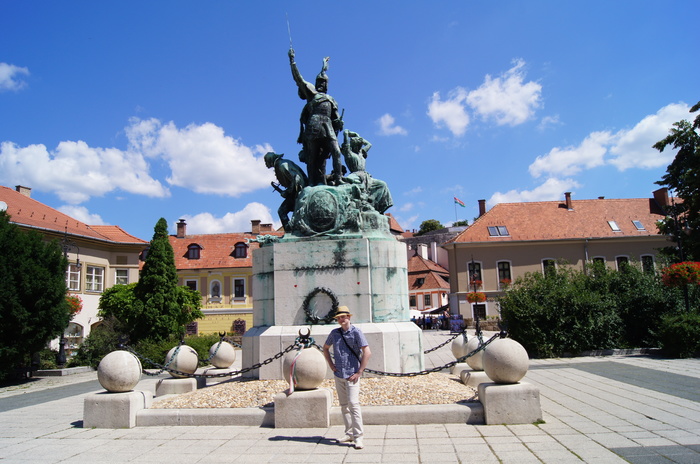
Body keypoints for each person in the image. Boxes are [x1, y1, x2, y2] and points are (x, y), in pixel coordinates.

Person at [288, 47, 344, 186]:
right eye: (319, 82)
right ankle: (312, 183)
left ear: (327, 85)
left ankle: (338, 178)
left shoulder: (332, 100)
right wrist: (292, 61)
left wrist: (339, 123)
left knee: (336, 151)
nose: (320, 84)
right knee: (311, 157)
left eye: (323, 82)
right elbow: (299, 79)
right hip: (314, 125)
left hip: (328, 126)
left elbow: (335, 118)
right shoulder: (312, 94)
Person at [323, 306, 371, 449]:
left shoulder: (356, 332)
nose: (341, 320)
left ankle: (358, 436)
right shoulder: (334, 333)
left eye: (343, 317)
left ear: (349, 317)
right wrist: (331, 365)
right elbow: (325, 348)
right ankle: (349, 433)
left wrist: (360, 371)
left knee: (353, 404)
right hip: (339, 374)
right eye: (338, 318)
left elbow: (367, 352)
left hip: (352, 374)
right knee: (344, 405)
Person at [264, 152, 308, 231]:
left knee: (282, 211)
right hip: (296, 193)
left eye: (266, 161)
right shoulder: (280, 165)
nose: (265, 164)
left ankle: (290, 232)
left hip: (301, 194)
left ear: (270, 160)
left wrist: (287, 192)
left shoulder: (282, 165)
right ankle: (290, 231)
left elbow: (296, 179)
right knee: (282, 211)